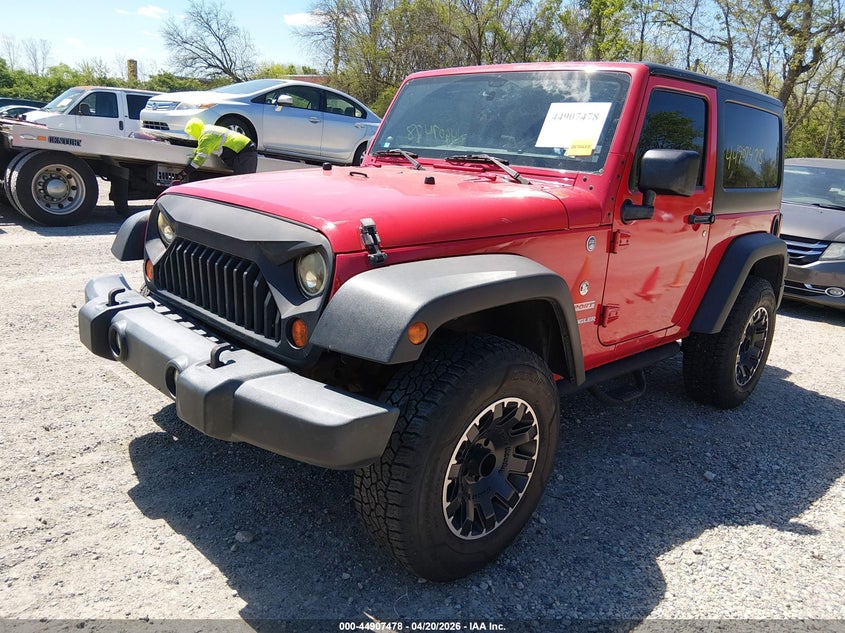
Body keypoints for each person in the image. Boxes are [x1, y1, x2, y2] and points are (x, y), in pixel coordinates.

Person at [176, 117, 258, 181]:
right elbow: (201, 149)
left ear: (195, 130)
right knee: (240, 181)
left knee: (243, 182)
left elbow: (200, 159)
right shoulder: (208, 129)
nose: (192, 136)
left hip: (244, 151)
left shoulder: (206, 137)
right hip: (243, 150)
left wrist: (184, 173)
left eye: (191, 133)